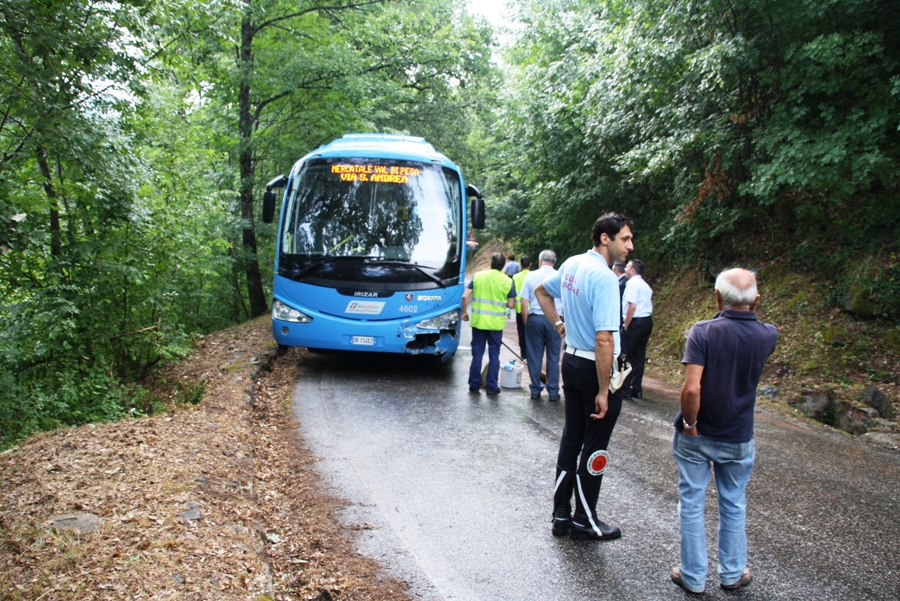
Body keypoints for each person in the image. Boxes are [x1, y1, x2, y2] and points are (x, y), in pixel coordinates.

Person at [670, 268, 778, 594]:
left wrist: (690, 425)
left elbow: (692, 389)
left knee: (692, 502)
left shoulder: (703, 332)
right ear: (756, 300)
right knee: (733, 503)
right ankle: (732, 573)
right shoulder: (768, 335)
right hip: (739, 435)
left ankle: (693, 576)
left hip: (698, 433)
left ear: (717, 297)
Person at [534, 213, 634, 541]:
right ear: (605, 238)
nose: (630, 246)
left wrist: (559, 325)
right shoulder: (605, 277)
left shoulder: (572, 264)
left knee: (572, 438)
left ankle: (561, 514)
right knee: (594, 446)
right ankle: (585, 520)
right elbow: (605, 338)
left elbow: (541, 291)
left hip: (572, 361)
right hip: (595, 367)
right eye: (625, 239)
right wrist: (604, 390)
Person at [462, 253, 516, 395]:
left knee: (477, 354)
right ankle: (492, 386)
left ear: (491, 263)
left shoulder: (478, 276)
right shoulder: (508, 281)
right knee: (494, 355)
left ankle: (474, 384)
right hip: (495, 325)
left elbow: (465, 296)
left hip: (479, 322)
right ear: (503, 266)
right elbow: (511, 304)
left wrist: (464, 313)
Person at [520, 250, 562, 401]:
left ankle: (536, 390)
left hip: (535, 318)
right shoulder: (560, 276)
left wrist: (527, 322)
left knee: (534, 356)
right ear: (554, 262)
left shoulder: (530, 276)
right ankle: (553, 391)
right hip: (555, 320)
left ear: (539, 261)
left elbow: (524, 302)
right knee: (554, 356)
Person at [620, 259, 653, 399]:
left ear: (632, 270)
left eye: (627, 267)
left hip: (635, 322)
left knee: (624, 355)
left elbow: (632, 306)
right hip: (646, 321)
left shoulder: (632, 284)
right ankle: (636, 388)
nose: (625, 269)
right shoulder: (645, 285)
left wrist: (626, 324)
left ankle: (624, 389)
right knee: (639, 356)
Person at [512, 256, 532, 362]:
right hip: (532, 309)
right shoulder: (533, 275)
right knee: (532, 333)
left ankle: (524, 354)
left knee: (521, 332)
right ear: (530, 264)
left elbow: (513, 292)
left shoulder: (515, 277)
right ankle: (532, 354)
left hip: (520, 309)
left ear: (520, 264)